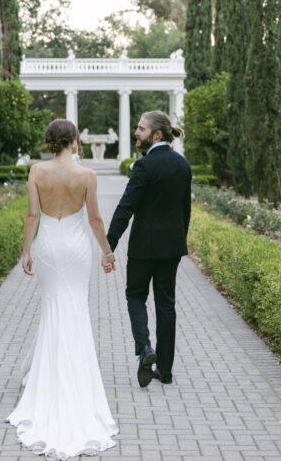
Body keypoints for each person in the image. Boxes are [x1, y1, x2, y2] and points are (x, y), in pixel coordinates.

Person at [7, 119, 119, 459]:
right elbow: (95, 220)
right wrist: (107, 251)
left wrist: (26, 251)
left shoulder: (37, 172)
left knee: (52, 306)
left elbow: (31, 216)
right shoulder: (86, 175)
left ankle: (48, 377)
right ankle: (77, 378)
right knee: (75, 307)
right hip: (75, 249)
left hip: (48, 247)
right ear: (73, 141)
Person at [106, 111, 192, 387]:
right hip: (171, 248)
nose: (136, 133)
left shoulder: (143, 167)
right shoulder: (182, 165)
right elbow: (185, 212)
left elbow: (125, 208)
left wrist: (108, 245)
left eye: (141, 129)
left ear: (156, 134)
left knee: (135, 296)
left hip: (143, 247)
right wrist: (179, 241)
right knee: (166, 305)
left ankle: (145, 349)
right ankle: (165, 372)